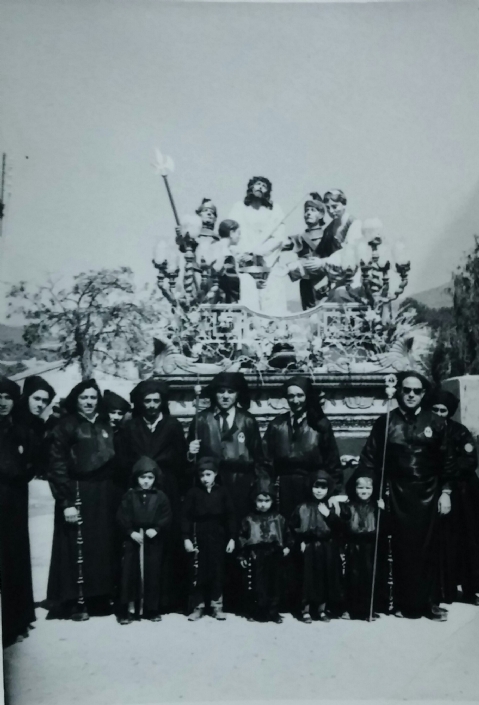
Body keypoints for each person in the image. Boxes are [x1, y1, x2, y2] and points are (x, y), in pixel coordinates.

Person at [357, 371, 454, 621]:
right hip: (396, 493)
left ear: (424, 394)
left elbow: (447, 462)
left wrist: (445, 492)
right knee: (401, 548)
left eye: (417, 391)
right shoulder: (386, 422)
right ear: (399, 391)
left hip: (428, 491)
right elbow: (370, 458)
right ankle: (401, 602)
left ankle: (430, 603)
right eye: (406, 390)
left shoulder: (436, 422)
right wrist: (369, 489)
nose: (411, 395)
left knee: (429, 548)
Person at [47, 379, 117, 621]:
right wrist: (65, 502)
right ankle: (75, 601)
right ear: (76, 399)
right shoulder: (66, 425)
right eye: (84, 397)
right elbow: (56, 464)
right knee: (75, 546)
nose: (89, 402)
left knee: (101, 546)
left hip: (104, 492)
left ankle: (99, 597)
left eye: (93, 397)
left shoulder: (106, 423)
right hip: (77, 490)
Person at [120, 378, 188, 611]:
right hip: (138, 488)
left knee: (164, 538)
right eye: (146, 401)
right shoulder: (130, 427)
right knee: (138, 541)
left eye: (156, 401)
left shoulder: (173, 425)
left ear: (162, 402)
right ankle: (137, 598)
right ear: (140, 403)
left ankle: (165, 600)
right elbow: (123, 459)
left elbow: (181, 460)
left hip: (166, 487)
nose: (151, 405)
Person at [187, 372, 265, 520]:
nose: (225, 396)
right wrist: (190, 452)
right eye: (221, 391)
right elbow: (189, 458)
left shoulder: (247, 420)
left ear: (237, 394)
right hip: (211, 485)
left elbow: (259, 458)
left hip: (240, 484)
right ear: (214, 394)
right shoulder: (201, 420)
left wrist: (258, 486)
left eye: (231, 392)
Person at [264, 376, 343, 520]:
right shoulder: (276, 425)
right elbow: (265, 461)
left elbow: (332, 461)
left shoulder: (320, 425)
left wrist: (334, 492)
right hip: (283, 488)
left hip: (312, 487)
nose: (295, 400)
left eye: (300, 395)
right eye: (291, 396)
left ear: (307, 396)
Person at [431, 388, 479, 605]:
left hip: (463, 494)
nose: (439, 414)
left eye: (443, 410)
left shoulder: (460, 432)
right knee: (443, 543)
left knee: (468, 540)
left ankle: (471, 590)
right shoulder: (426, 430)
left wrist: (447, 471)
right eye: (435, 409)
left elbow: (470, 460)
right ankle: (445, 591)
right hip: (436, 491)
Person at [0, 377, 36, 646]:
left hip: (13, 500)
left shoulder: (21, 429)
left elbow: (33, 463)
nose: (2, 402)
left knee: (13, 555)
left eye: (8, 397)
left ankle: (16, 618)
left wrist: (18, 471)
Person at [116, 457, 172, 624]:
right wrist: (130, 531)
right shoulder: (129, 495)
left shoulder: (160, 496)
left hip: (152, 540)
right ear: (136, 478)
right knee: (130, 574)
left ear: (155, 479)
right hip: (134, 540)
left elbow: (166, 515)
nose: (146, 481)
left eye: (150, 478)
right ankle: (130, 609)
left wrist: (157, 529)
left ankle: (151, 609)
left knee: (152, 574)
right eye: (142, 477)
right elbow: (121, 515)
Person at [181, 457, 236, 621]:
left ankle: (216, 606)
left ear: (215, 474)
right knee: (198, 571)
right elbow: (185, 517)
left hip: (218, 536)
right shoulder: (193, 493)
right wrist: (186, 538)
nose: (205, 478)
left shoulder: (223, 492)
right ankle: (198, 606)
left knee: (217, 570)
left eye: (208, 474)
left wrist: (232, 538)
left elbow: (231, 517)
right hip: (199, 535)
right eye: (202, 475)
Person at [290, 470, 344, 623]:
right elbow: (293, 527)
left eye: (323, 487)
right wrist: (299, 541)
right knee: (308, 579)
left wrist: (329, 514)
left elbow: (340, 528)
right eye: (316, 487)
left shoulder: (331, 506)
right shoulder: (302, 506)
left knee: (324, 577)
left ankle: (321, 609)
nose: (319, 491)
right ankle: (305, 609)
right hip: (309, 546)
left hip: (327, 547)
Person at [229, 176, 286, 314]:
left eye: (264, 186)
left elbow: (279, 237)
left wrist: (259, 252)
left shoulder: (275, 210)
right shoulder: (239, 208)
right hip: (245, 263)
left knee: (270, 296)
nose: (260, 187)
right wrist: (241, 254)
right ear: (251, 187)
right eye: (257, 184)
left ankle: (272, 331)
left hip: (268, 262)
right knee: (248, 294)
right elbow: (230, 232)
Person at [238, 477, 291, 623]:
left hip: (274, 554)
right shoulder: (249, 519)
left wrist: (287, 547)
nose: (263, 504)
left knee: (275, 584)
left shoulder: (279, 518)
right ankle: (257, 612)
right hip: (256, 555)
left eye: (266, 501)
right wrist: (242, 556)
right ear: (254, 501)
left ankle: (273, 612)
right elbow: (242, 537)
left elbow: (287, 535)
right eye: (260, 501)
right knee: (257, 584)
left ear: (272, 501)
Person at [341, 469, 387, 620]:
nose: (364, 491)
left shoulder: (376, 506)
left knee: (369, 576)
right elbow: (343, 525)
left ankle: (369, 609)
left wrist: (384, 510)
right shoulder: (349, 506)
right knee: (352, 576)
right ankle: (350, 609)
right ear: (355, 489)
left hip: (370, 547)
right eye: (360, 488)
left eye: (368, 488)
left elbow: (387, 527)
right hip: (354, 546)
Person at [283, 193, 337, 309]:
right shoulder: (299, 238)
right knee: (308, 315)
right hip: (306, 283)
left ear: (321, 214)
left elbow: (337, 258)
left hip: (324, 281)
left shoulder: (328, 236)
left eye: (313, 210)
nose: (308, 213)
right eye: (306, 210)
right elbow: (282, 245)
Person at [15, 375, 55, 479]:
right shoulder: (12, 421)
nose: (40, 404)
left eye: (45, 400)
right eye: (36, 399)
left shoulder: (40, 426)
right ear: (27, 397)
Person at [212, 219, 241, 304]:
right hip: (223, 299)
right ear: (231, 233)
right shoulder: (226, 253)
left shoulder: (214, 246)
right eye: (238, 233)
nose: (240, 236)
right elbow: (232, 281)